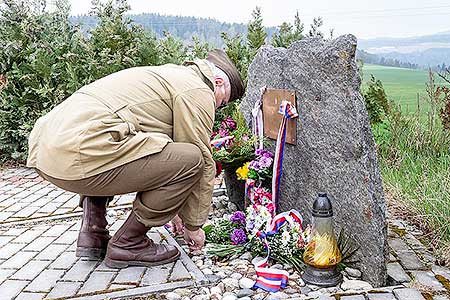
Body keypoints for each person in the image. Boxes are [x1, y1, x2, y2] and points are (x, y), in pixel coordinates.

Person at [26, 49, 244, 268]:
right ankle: (129, 243)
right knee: (193, 160)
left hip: (48, 151)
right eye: (222, 103)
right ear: (218, 82)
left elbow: (160, 155)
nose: (217, 108)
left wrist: (174, 206)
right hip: (82, 154)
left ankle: (93, 232)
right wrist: (194, 225)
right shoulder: (197, 89)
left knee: (119, 139)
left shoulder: (168, 75)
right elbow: (200, 160)